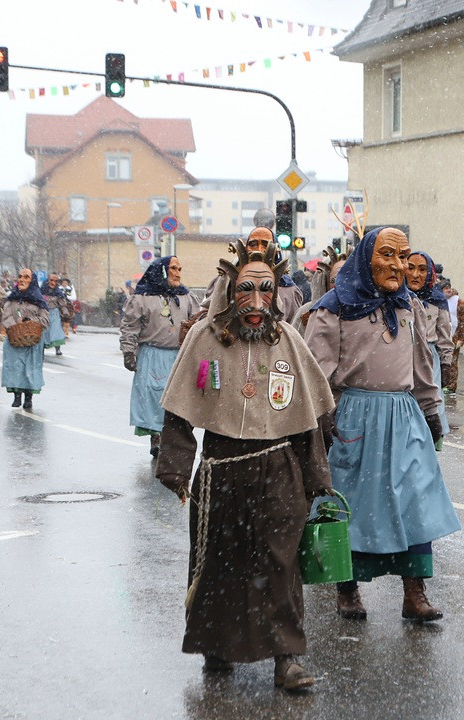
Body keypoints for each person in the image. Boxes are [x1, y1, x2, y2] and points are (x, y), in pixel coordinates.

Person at [156, 241, 335, 691]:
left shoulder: (289, 341)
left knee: (280, 564)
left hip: (277, 469)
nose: (256, 304)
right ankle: (216, 645)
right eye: (245, 291)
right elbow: (179, 411)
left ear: (276, 293)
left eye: (266, 291)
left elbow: (311, 417)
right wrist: (177, 469)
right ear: (230, 289)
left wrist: (316, 476)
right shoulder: (204, 338)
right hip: (220, 468)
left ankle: (286, 658)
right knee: (218, 561)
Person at [304, 227, 460, 623]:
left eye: (403, 256)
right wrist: (321, 421)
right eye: (387, 255)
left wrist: (431, 411)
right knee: (348, 504)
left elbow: (423, 364)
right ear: (366, 258)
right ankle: (348, 589)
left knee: (415, 503)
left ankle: (415, 592)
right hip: (353, 418)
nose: (398, 265)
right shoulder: (334, 307)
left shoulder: (409, 306)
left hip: (403, 417)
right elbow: (315, 371)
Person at [120, 257, 201, 457]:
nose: (178, 273)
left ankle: (173, 437)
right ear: (162, 271)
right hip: (152, 355)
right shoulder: (142, 298)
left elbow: (198, 322)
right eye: (173, 268)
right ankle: (156, 436)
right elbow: (130, 327)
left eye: (180, 268)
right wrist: (129, 352)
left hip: (179, 356)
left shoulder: (186, 297)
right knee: (154, 398)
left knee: (178, 399)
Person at [406, 251, 454, 445]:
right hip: (403, 358)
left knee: (430, 406)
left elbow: (444, 334)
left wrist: (446, 363)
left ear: (430, 274)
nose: (416, 274)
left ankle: (429, 451)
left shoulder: (437, 300)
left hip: (429, 359)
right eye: (411, 268)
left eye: (422, 269)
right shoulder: (396, 298)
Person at [1, 268, 49, 410]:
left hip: (32, 340)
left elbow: (45, 319)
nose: (21, 279)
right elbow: (6, 316)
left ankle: (28, 397)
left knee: (30, 368)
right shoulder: (12, 298)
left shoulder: (39, 299)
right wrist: (16, 326)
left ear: (32, 280)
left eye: (26, 277)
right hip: (15, 338)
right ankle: (17, 395)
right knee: (16, 367)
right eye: (20, 277)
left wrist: (30, 321)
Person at [291, 244, 346, 335]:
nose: (342, 284)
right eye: (335, 280)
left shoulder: (363, 311)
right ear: (324, 281)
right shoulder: (306, 312)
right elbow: (295, 344)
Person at [441, 279, 464, 392]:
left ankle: (451, 385)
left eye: (449, 287)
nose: (447, 290)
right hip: (442, 336)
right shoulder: (438, 300)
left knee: (452, 362)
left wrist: (462, 338)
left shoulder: (458, 302)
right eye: (445, 288)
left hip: (454, 337)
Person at [40, 274, 71, 357]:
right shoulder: (41, 291)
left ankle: (58, 349)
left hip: (54, 314)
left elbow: (62, 304)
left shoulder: (58, 292)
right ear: (48, 281)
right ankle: (41, 348)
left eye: (55, 281)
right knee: (44, 332)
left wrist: (65, 313)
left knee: (56, 330)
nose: (53, 283)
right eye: (51, 280)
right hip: (44, 313)